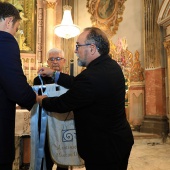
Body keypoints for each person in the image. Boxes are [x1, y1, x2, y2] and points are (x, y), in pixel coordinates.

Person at [36, 27, 134, 170]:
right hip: (118, 141)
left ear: (92, 48)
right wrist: (54, 74)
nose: (76, 51)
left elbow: (62, 104)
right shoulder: (111, 66)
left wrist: (40, 99)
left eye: (78, 46)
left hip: (103, 149)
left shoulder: (90, 77)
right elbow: (79, 84)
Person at [0, 2, 36, 170]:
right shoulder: (5, 41)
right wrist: (35, 102)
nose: (15, 33)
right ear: (8, 21)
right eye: (16, 28)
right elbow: (16, 87)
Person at [33, 48, 68, 170]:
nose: (55, 62)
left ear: (64, 62)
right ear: (47, 62)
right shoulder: (39, 80)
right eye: (51, 59)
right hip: (45, 126)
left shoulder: (67, 80)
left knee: (63, 162)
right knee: (45, 162)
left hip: (63, 126)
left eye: (58, 59)